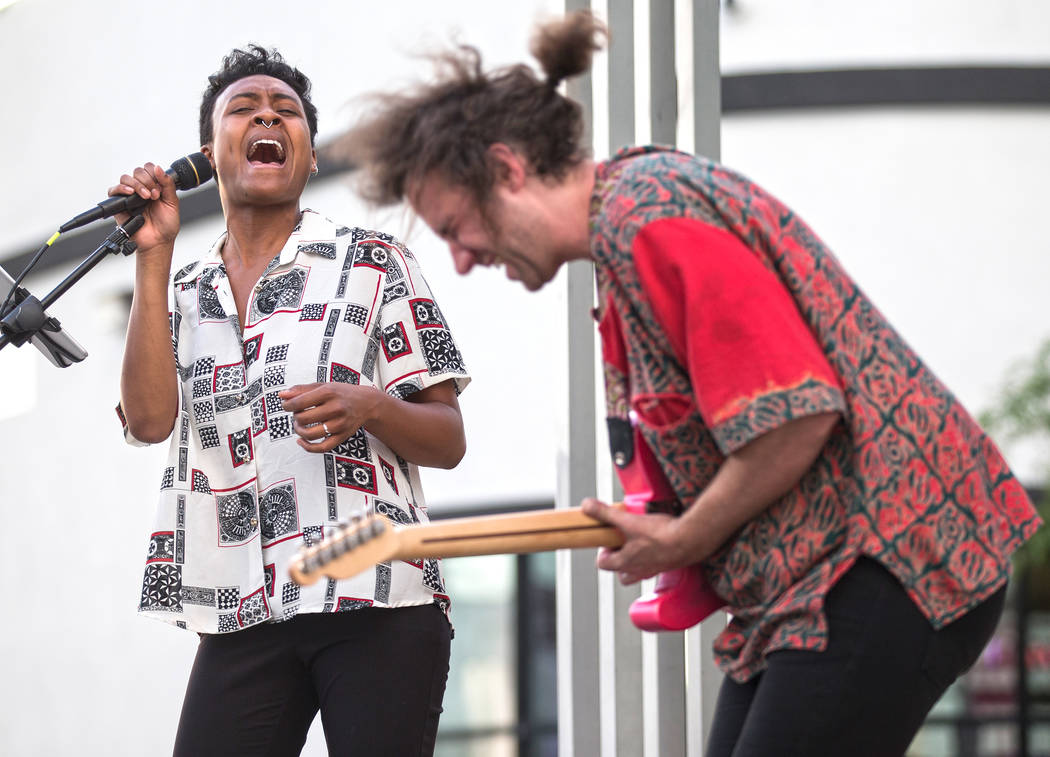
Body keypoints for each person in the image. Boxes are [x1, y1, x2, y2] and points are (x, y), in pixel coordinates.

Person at [339, 11, 1042, 756]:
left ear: (508, 169)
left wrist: (683, 536)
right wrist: (668, 522)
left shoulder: (651, 220)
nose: (461, 260)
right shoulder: (629, 225)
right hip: (815, 579)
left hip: (885, 557)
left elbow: (795, 420)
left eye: (455, 228)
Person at [113, 45, 469, 756]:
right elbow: (149, 422)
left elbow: (449, 438)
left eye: (289, 112)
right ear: (210, 154)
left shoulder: (374, 261)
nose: (268, 115)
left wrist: (371, 406)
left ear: (307, 159)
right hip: (239, 608)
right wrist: (153, 256)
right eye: (243, 109)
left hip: (375, 595)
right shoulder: (180, 291)